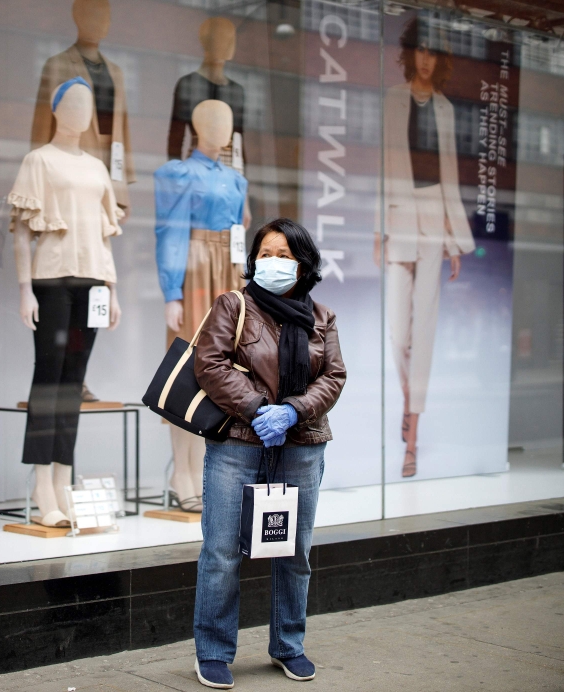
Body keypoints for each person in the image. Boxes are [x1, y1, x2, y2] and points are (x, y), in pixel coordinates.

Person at [191, 218, 346, 687]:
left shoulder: (322, 316)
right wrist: (259, 409)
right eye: (266, 254)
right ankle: (214, 651)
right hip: (237, 443)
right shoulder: (232, 305)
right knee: (221, 552)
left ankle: (288, 645)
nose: (273, 263)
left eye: (284, 255)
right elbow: (209, 363)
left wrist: (293, 412)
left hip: (301, 446)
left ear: (303, 263)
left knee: (294, 551)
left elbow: (334, 377)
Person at [374, 17, 475, 478]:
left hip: (434, 216)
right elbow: (380, 166)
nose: (428, 59)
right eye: (422, 50)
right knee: (398, 334)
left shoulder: (447, 109)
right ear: (411, 53)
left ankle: (412, 433)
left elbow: (450, 174)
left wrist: (455, 240)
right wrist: (378, 229)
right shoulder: (392, 101)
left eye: (435, 52)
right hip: (399, 216)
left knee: (426, 330)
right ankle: (408, 398)